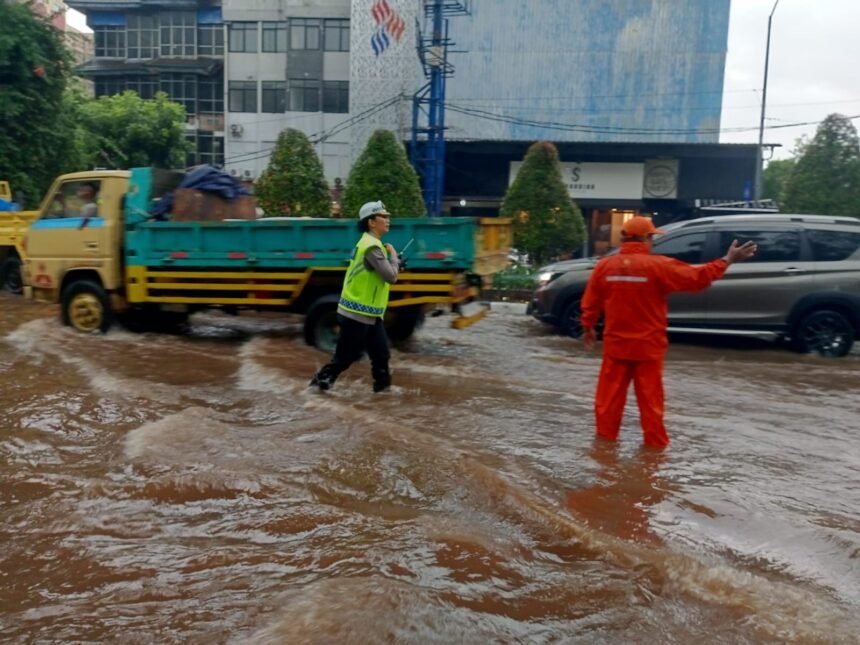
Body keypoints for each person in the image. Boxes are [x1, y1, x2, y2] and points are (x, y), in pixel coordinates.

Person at [580, 216, 757, 448]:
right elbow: (697, 278)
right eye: (652, 237)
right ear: (645, 238)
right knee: (651, 407)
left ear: (624, 238)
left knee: (607, 405)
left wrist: (588, 327)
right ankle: (654, 458)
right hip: (648, 349)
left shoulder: (604, 266)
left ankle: (604, 454)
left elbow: (590, 303)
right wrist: (727, 260)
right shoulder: (658, 266)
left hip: (616, 347)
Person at [310, 200, 400, 393]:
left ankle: (383, 395)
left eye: (387, 216)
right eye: (383, 216)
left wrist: (393, 260)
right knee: (345, 358)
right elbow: (391, 277)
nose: (387, 220)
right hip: (356, 313)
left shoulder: (373, 244)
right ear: (371, 222)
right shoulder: (372, 247)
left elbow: (380, 274)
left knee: (381, 356)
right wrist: (394, 256)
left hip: (371, 314)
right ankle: (316, 388)